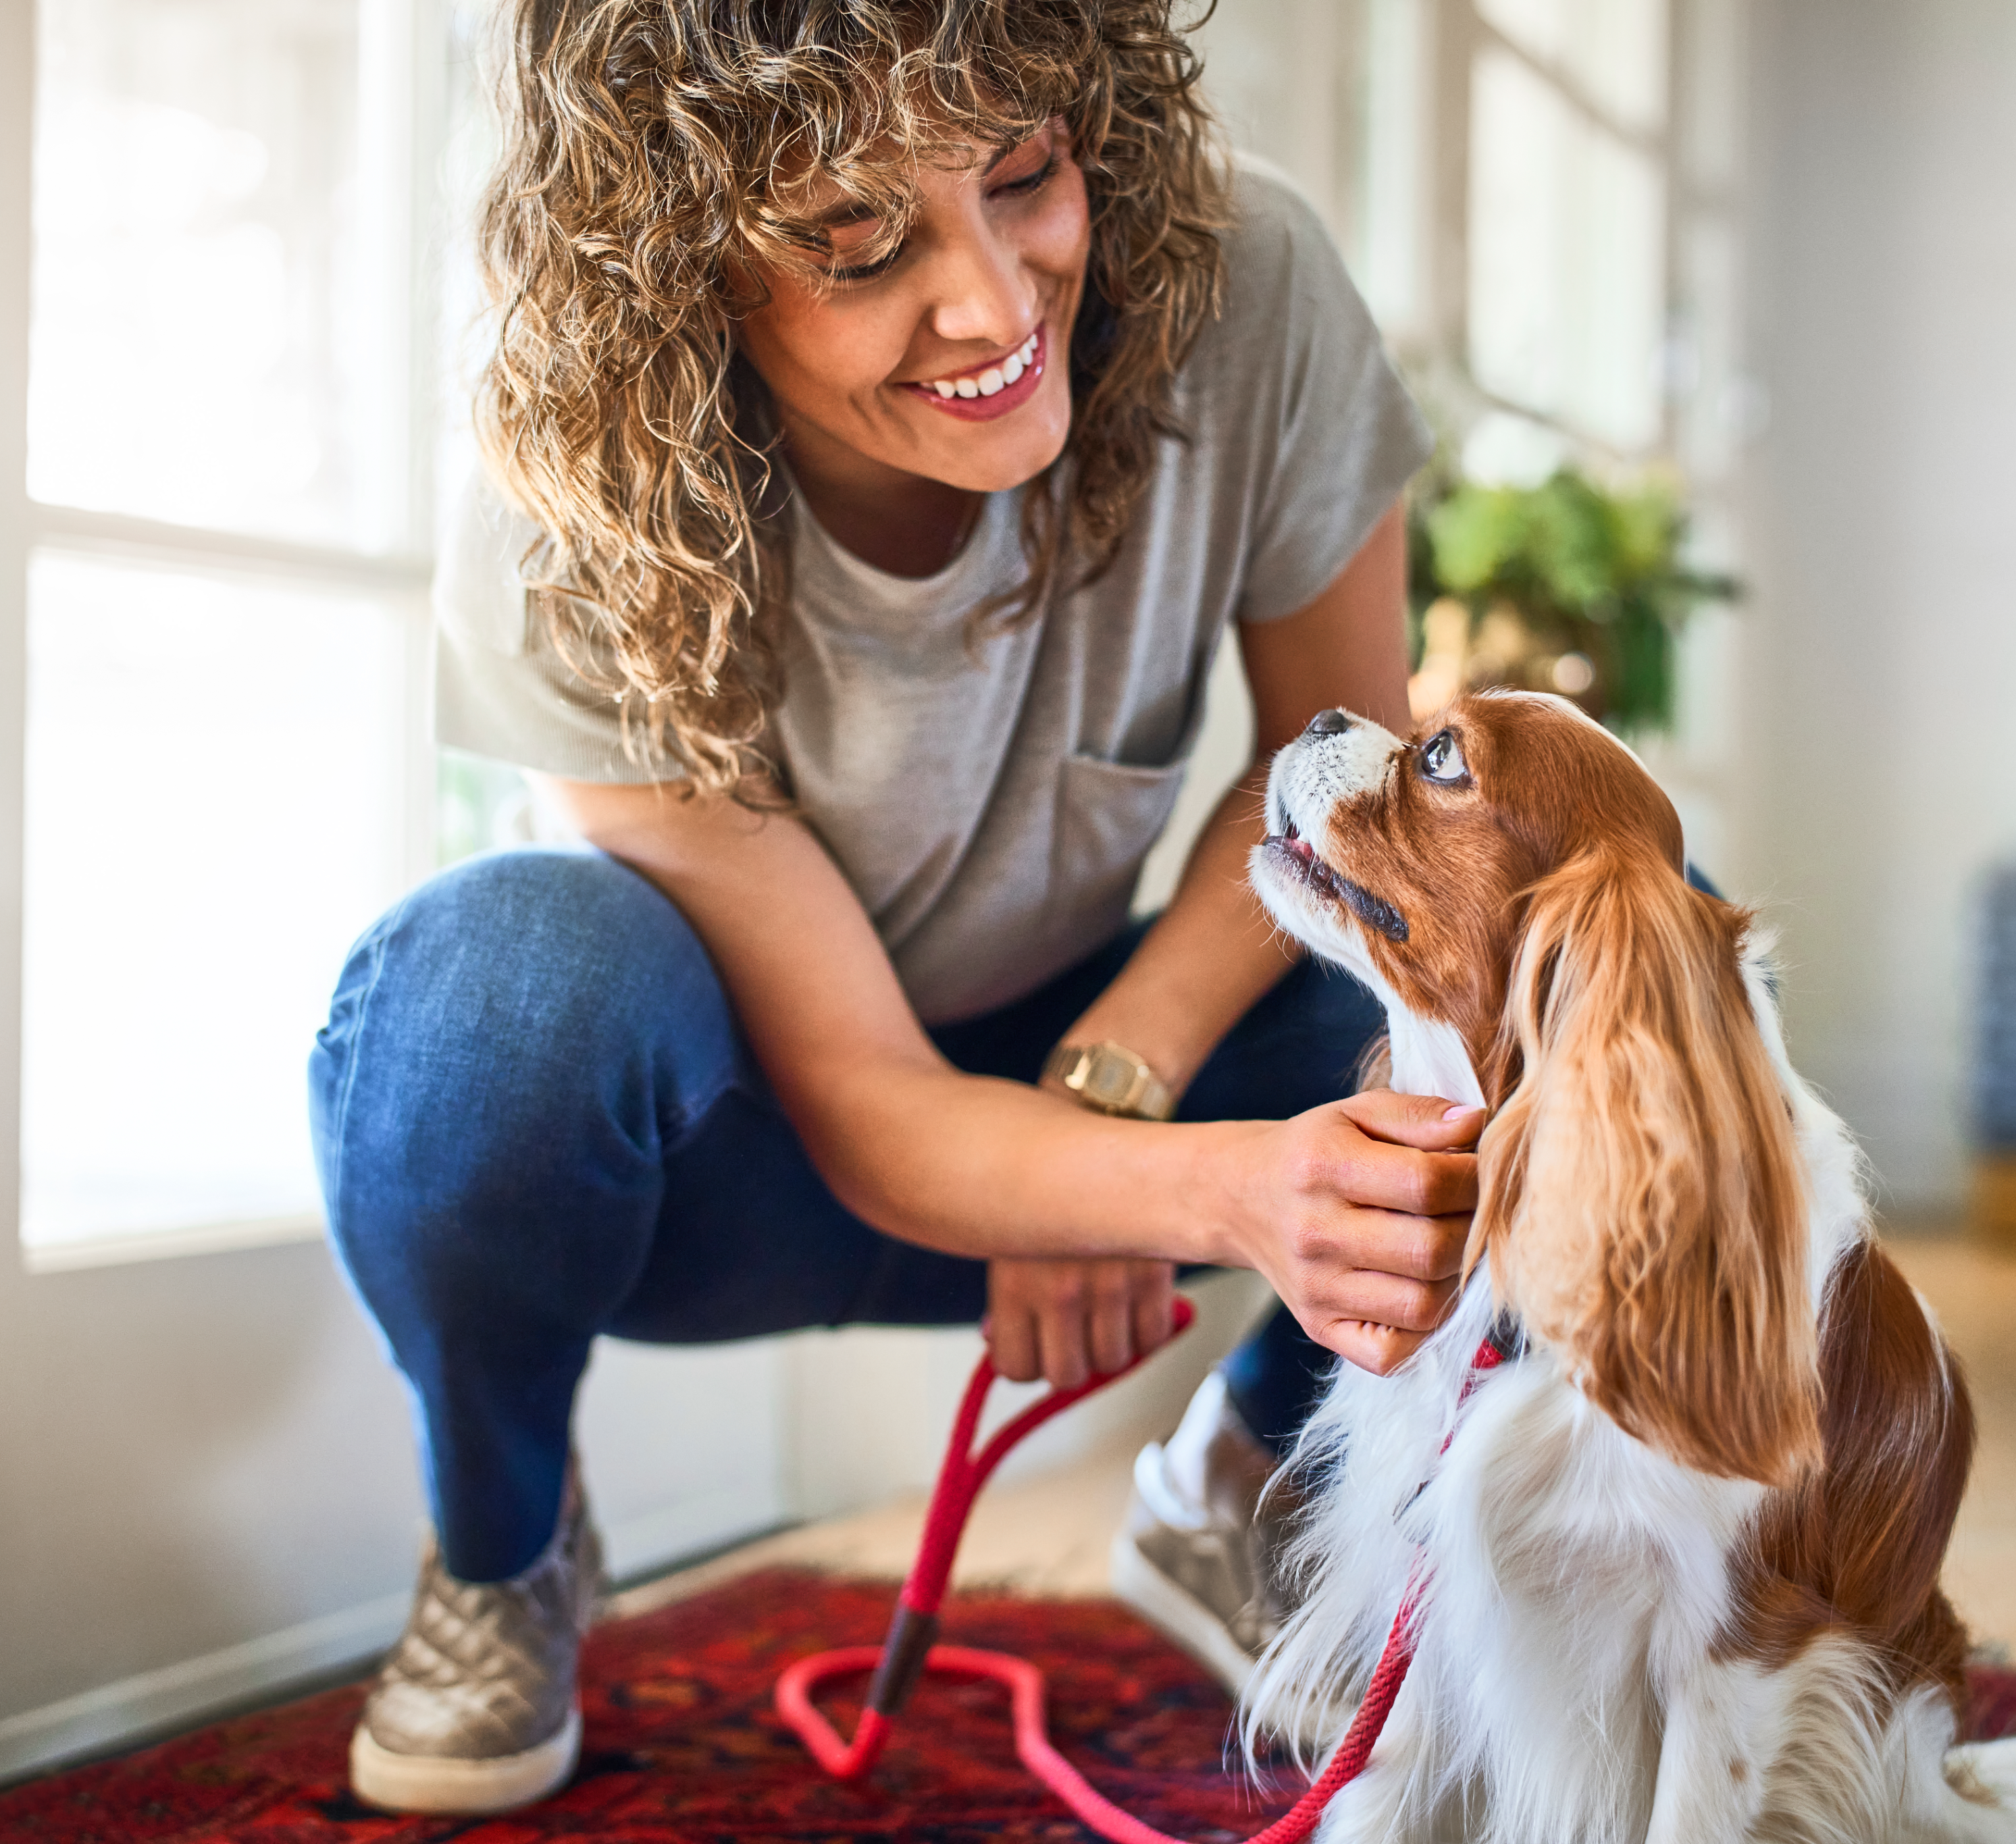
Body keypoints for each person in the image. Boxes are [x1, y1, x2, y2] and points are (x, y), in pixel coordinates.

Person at [308, 0, 1482, 1816]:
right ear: (682, 274)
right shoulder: (573, 511)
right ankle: (503, 1543)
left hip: (1112, 1061)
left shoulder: (1251, 283)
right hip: (749, 1151)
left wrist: (1116, 1092)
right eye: (864, 247)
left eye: (1025, 177)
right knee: (490, 1010)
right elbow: (859, 1098)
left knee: (1565, 930)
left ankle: (1262, 1474)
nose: (1000, 309)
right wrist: (1204, 1188)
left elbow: (1338, 770)